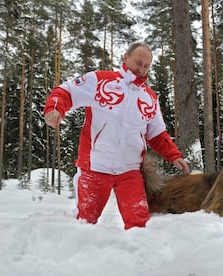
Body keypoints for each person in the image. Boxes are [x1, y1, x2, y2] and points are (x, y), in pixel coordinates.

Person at [44, 42, 190, 230]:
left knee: (139, 225)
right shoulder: (100, 80)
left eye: (146, 66)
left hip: (130, 171)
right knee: (84, 224)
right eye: (138, 63)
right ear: (125, 57)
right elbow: (65, 91)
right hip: (95, 167)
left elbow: (157, 134)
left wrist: (174, 155)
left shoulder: (149, 97)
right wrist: (55, 108)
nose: (141, 70)